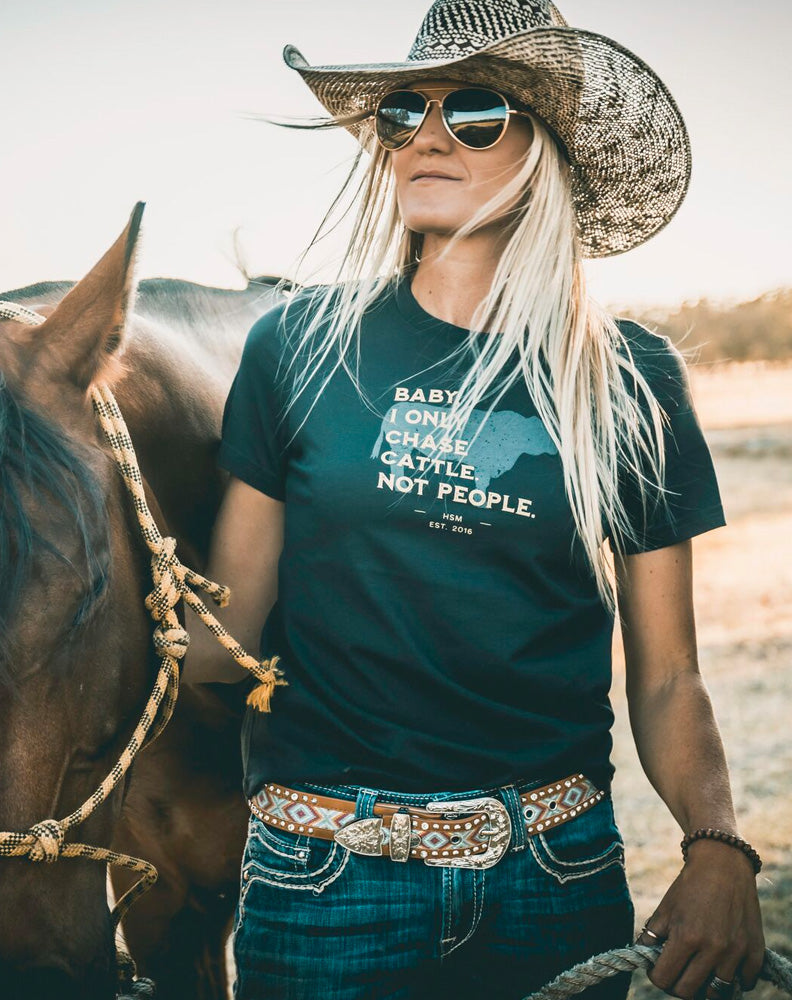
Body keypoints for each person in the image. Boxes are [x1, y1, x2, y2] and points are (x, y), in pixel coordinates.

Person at [181, 2, 766, 998]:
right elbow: (221, 643)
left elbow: (667, 676)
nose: (429, 137)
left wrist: (716, 846)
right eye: (404, 112)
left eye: (477, 112)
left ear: (549, 152)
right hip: (326, 876)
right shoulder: (297, 349)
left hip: (556, 870)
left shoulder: (627, 378)